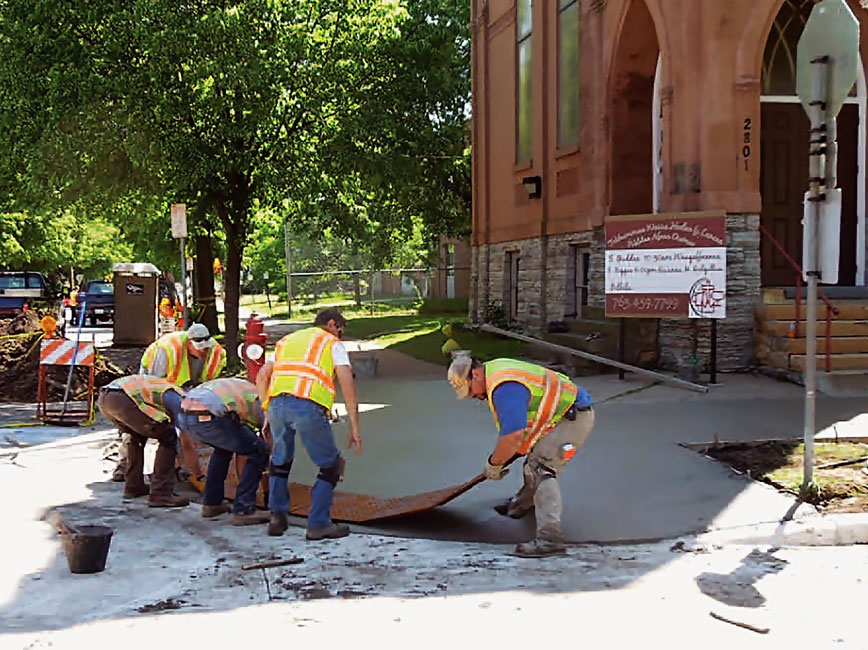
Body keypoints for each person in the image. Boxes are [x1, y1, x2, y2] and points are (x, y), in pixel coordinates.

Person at [447, 356, 594, 557]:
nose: (472, 396)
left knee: (541, 469)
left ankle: (550, 540)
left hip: (573, 417)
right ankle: (523, 503)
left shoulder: (504, 387)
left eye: (470, 389)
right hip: (561, 412)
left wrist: (494, 464)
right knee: (533, 462)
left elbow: (513, 435)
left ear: (476, 374)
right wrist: (503, 458)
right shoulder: (495, 370)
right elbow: (518, 436)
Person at [256, 309, 362, 540]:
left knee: (280, 462)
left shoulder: (286, 341)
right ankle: (318, 524)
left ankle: (277, 518)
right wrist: (354, 426)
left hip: (277, 406)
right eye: (341, 329)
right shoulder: (331, 343)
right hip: (307, 406)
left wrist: (267, 411)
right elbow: (347, 382)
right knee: (331, 466)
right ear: (332, 324)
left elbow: (263, 376)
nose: (341, 335)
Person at [109, 323, 226, 484]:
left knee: (180, 430)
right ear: (188, 343)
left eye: (205, 349)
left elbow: (209, 383)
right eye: (198, 349)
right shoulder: (167, 349)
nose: (203, 352)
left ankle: (174, 466)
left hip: (186, 391)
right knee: (140, 425)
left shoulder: (216, 353)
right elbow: (152, 382)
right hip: (155, 384)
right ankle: (124, 465)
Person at [174, 378, 272, 526]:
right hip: (207, 415)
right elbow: (266, 431)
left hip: (185, 415)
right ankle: (244, 509)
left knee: (224, 448)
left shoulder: (242, 388)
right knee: (259, 451)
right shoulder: (259, 399)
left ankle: (212, 503)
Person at [97, 375, 189, 507]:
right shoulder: (177, 396)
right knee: (168, 436)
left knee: (136, 436)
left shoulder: (164, 389)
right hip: (122, 398)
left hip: (106, 398)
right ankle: (161, 493)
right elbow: (184, 433)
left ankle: (134, 485)